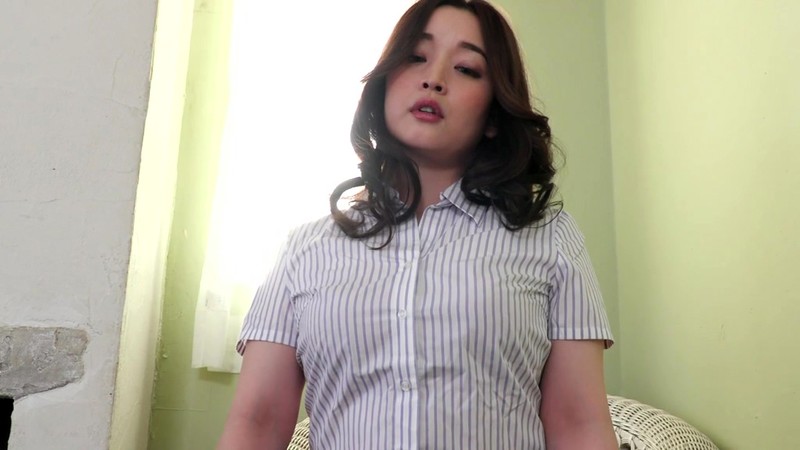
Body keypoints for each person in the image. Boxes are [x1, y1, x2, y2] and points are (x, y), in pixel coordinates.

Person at [217, 0, 617, 448]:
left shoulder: (551, 238)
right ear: (386, 83)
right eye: (415, 57)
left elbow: (578, 423)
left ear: (493, 116)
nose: (434, 78)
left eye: (466, 68)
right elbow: (257, 422)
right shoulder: (304, 250)